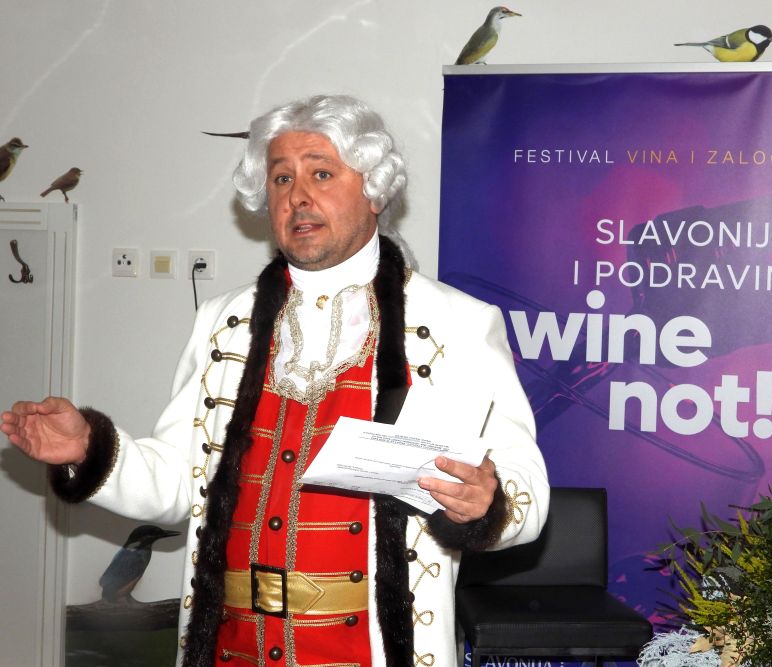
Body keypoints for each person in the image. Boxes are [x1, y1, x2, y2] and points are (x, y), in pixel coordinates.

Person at [1, 95, 549, 667]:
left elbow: (527, 490)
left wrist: (484, 502)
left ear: (374, 190)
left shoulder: (458, 324)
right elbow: (179, 485)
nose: (298, 196)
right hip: (230, 648)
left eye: (321, 173)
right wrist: (89, 448)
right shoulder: (221, 322)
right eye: (281, 178)